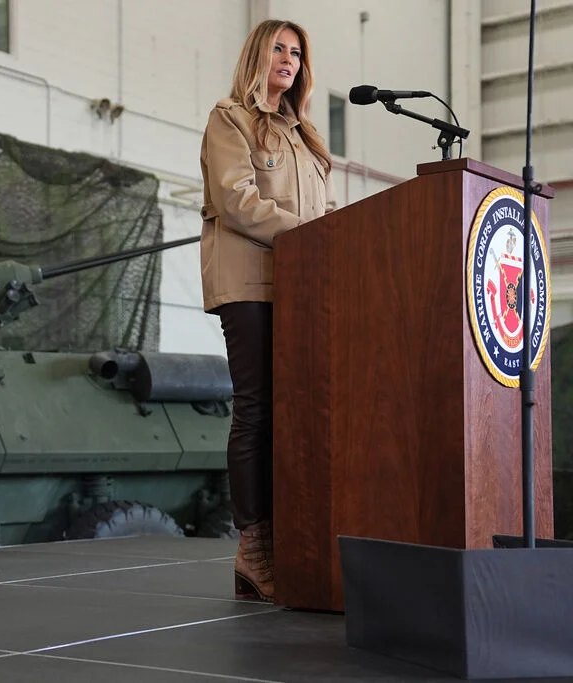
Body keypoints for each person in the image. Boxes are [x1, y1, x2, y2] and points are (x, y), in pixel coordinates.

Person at [198, 19, 337, 602]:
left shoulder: (306, 137)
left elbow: (326, 210)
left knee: (298, 408)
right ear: (258, 55)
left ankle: (294, 536)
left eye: (296, 53)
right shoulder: (229, 118)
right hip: (250, 282)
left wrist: (339, 237)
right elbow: (235, 199)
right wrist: (309, 236)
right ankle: (254, 546)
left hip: (302, 285)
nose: (288, 59)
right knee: (256, 408)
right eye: (278, 49)